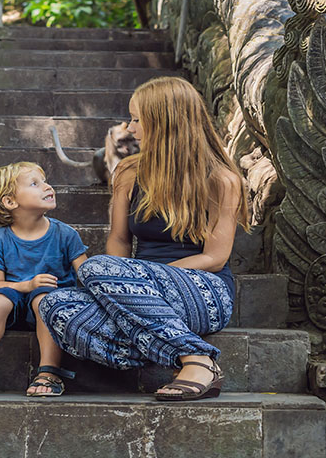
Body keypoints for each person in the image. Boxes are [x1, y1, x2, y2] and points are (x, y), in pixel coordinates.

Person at [39, 76, 249, 401]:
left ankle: (197, 359)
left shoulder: (221, 178)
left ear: (164, 122)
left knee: (95, 269)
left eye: (137, 119)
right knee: (55, 305)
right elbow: (120, 242)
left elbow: (215, 257)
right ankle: (168, 346)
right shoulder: (129, 172)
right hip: (134, 291)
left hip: (203, 289)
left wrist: (137, 283)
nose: (130, 127)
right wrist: (122, 286)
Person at [0, 162, 88, 397]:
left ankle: (49, 371)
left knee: (43, 299)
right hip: (14, 307)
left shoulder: (66, 234)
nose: (48, 187)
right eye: (35, 184)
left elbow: (87, 276)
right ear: (9, 202)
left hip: (54, 309)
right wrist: (26, 285)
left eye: (45, 181)